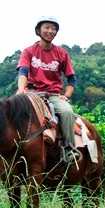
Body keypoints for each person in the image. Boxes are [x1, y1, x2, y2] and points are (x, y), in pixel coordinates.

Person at [16, 16, 81, 163]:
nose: (50, 31)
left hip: (53, 94)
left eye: (53, 29)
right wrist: (21, 89)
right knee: (9, 109)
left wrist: (67, 95)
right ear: (38, 30)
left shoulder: (61, 53)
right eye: (47, 27)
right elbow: (23, 72)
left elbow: (72, 79)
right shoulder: (29, 51)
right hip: (31, 93)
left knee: (67, 112)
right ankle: (1, 151)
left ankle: (69, 149)